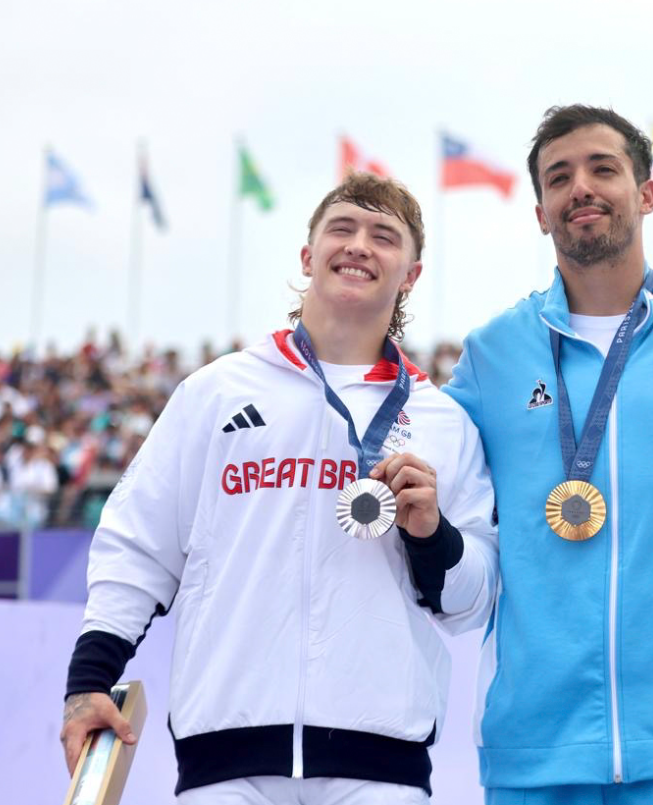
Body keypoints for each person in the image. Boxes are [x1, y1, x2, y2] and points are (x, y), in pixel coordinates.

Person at [59, 173, 498, 804]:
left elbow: (472, 602)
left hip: (381, 766)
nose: (359, 245)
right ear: (307, 255)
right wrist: (88, 683)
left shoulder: (442, 421)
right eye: (341, 228)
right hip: (225, 762)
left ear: (412, 273)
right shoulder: (216, 393)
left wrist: (434, 537)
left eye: (384, 235)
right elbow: (137, 547)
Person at [444, 105, 653, 805]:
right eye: (559, 177)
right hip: (535, 748)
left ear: (646, 193)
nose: (581, 187)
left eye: (603, 168)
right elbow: (409, 447)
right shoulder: (491, 355)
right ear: (540, 212)